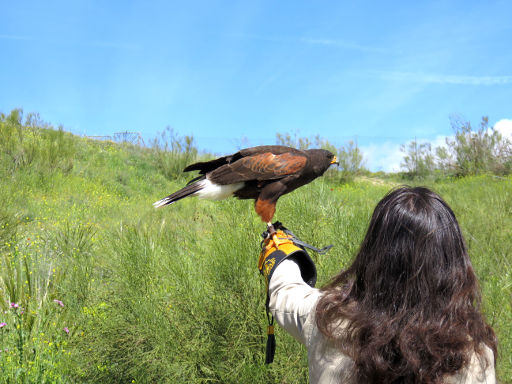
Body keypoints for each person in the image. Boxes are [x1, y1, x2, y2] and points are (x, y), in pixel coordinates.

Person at [259, 186, 497, 384]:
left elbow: (285, 293)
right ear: (453, 264)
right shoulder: (473, 353)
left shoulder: (327, 319)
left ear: (372, 253)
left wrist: (281, 250)